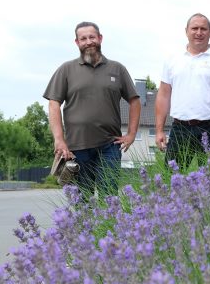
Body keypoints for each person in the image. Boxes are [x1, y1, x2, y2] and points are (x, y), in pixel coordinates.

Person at [44, 21, 141, 197]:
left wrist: (132, 134)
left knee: (109, 198)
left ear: (100, 38)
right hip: (77, 148)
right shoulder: (66, 70)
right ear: (77, 42)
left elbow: (134, 101)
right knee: (82, 200)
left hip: (110, 146)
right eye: (83, 38)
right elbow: (53, 104)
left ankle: (109, 225)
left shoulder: (117, 69)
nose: (88, 42)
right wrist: (59, 139)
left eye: (92, 37)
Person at [155, 13, 210, 167]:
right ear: (186, 31)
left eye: (203, 29)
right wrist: (159, 130)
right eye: (195, 28)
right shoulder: (172, 59)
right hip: (180, 128)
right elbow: (163, 95)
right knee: (172, 178)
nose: (199, 32)